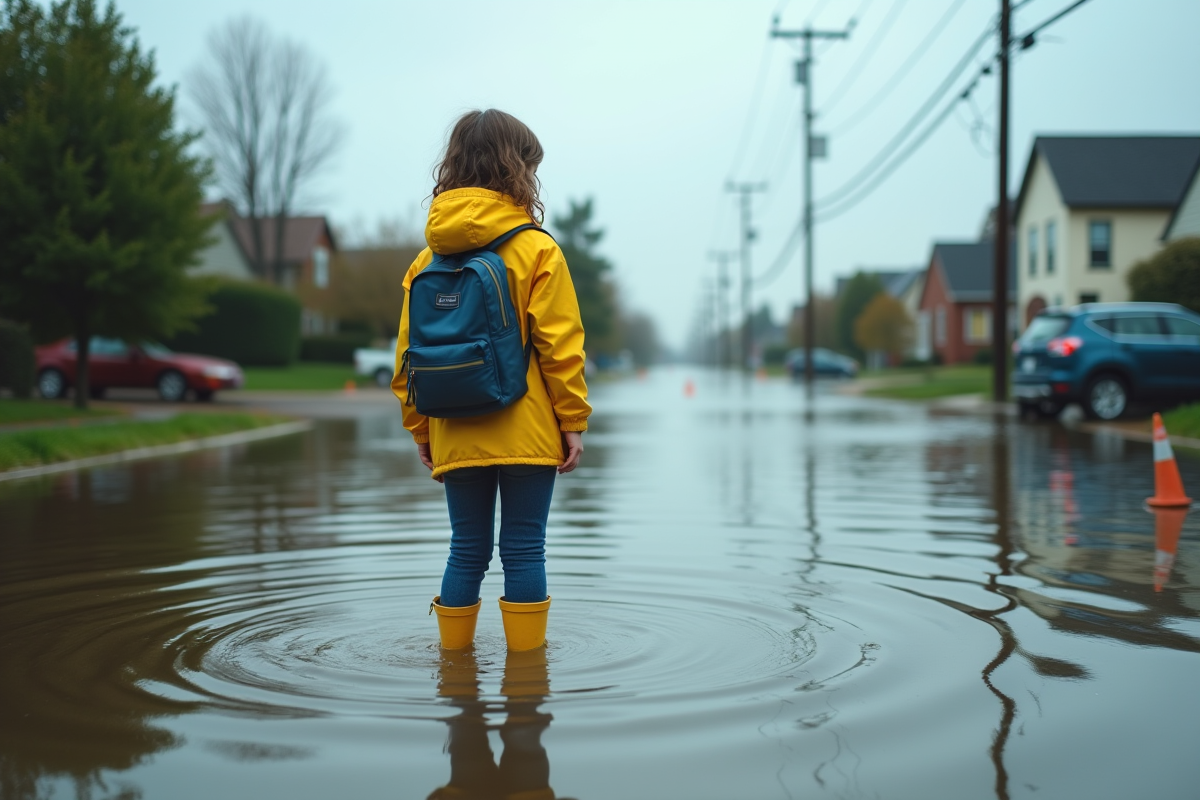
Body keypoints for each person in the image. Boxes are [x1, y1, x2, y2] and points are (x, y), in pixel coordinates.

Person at [392, 109, 590, 652]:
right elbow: (561, 349)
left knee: (466, 549)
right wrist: (571, 421)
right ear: (519, 169)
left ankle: (454, 677)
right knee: (524, 549)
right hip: (527, 428)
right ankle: (527, 686)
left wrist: (422, 431)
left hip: (454, 425)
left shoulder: (425, 260)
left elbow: (407, 358)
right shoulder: (538, 249)